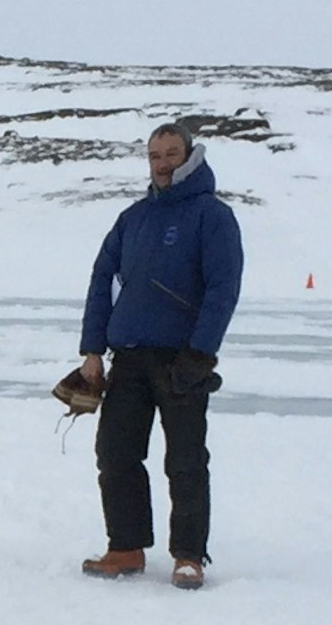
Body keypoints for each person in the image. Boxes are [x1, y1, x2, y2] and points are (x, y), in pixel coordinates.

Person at [75, 120, 244, 588]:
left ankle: (189, 555)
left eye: (171, 154)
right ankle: (125, 546)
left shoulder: (212, 216)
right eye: (155, 156)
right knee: (116, 453)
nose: (163, 163)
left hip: (181, 361)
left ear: (191, 156)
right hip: (127, 355)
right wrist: (92, 349)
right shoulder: (133, 218)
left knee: (185, 460)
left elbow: (222, 289)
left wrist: (201, 353)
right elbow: (101, 281)